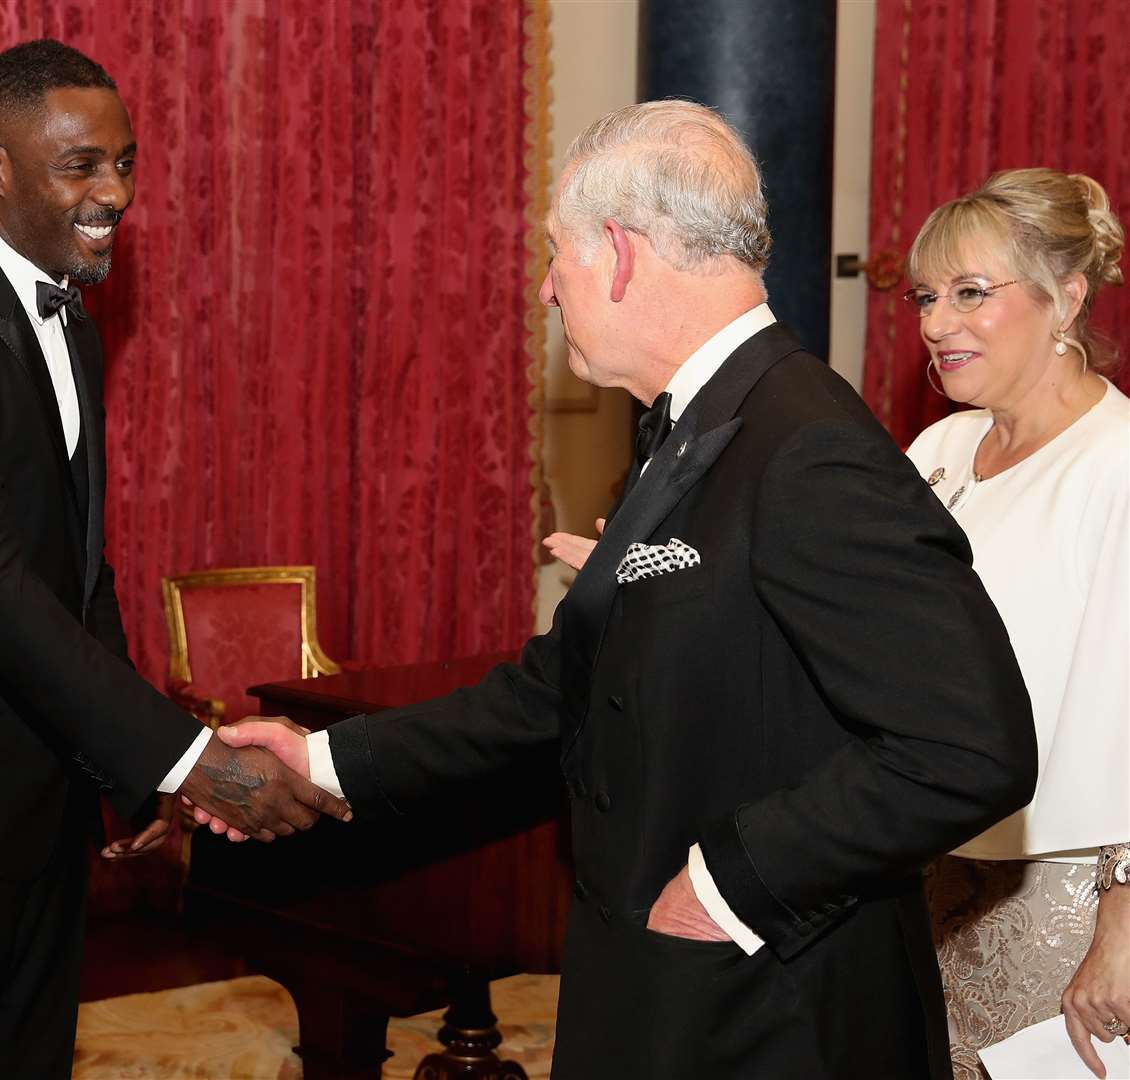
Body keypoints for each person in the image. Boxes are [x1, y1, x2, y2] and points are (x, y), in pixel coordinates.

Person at [200, 100, 1038, 1079]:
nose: (550, 290)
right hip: (670, 996)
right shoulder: (691, 424)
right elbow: (559, 687)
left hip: (768, 1016)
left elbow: (967, 745)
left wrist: (732, 878)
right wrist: (327, 762)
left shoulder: (804, 447)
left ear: (620, 253)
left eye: (556, 255)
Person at [0, 39, 348, 1080]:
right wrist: (187, 764)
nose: (114, 193)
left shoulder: (68, 314)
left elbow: (78, 571)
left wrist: (121, 775)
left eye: (125, 162)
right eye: (81, 165)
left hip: (36, 794)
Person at [901, 168, 1130, 1080]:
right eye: (926, 295)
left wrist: (1122, 925)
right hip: (932, 869)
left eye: (969, 293)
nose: (934, 322)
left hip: (1067, 899)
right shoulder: (940, 450)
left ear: (1065, 298)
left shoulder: (1115, 466)